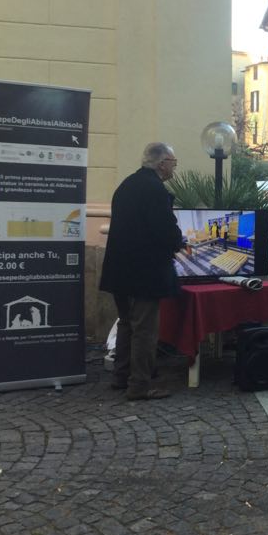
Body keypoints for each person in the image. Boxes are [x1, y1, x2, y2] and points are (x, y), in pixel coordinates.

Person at [100, 142, 183, 400]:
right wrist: (178, 242)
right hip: (144, 272)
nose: (174, 168)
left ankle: (121, 376)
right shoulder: (155, 189)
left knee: (126, 323)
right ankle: (139, 386)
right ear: (162, 164)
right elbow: (164, 230)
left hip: (120, 270)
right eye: (173, 163)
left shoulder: (127, 184)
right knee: (145, 330)